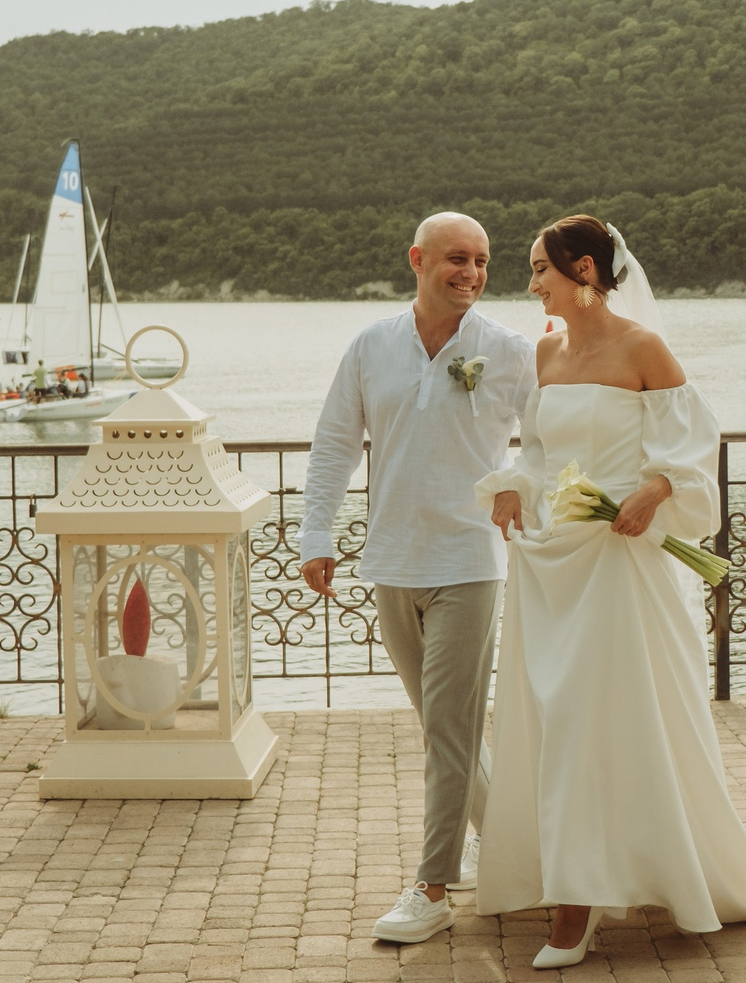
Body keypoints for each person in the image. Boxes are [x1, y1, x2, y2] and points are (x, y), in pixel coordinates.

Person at [477, 216, 746, 969]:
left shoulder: (642, 348)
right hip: (553, 561)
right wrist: (515, 486)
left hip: (619, 563)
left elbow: (691, 446)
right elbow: (540, 451)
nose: (531, 283)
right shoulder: (547, 351)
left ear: (583, 271)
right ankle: (566, 876)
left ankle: (577, 905)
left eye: (539, 268)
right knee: (551, 717)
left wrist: (652, 488)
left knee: (603, 720)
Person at [298, 212, 536, 946]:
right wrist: (316, 532)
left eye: (483, 262)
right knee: (448, 728)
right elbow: (336, 441)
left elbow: (556, 440)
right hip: (392, 564)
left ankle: (432, 888)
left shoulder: (509, 350)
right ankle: (512, 849)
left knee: (447, 732)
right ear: (418, 260)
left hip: (469, 562)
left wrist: (517, 482)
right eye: (457, 259)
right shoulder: (371, 345)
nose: (470, 273)